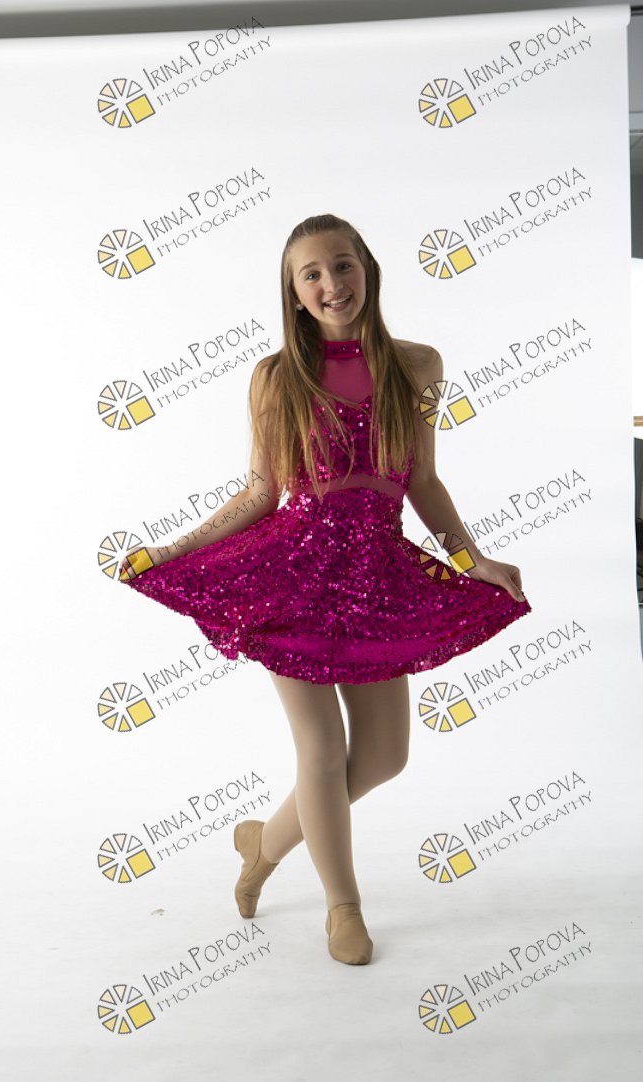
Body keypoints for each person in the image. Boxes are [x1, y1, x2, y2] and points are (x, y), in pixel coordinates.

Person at [119, 213, 531, 967]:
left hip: (377, 574)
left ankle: (264, 843)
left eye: (342, 265)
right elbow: (258, 492)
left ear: (366, 269)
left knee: (385, 755)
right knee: (321, 749)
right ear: (294, 292)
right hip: (292, 576)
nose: (331, 283)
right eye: (311, 274)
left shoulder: (419, 365)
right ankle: (344, 907)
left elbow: (424, 480)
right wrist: (172, 550)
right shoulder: (276, 377)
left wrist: (471, 558)